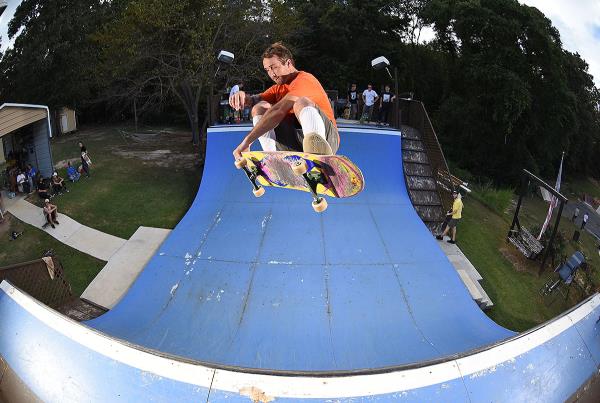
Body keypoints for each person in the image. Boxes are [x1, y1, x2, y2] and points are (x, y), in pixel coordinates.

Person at [230, 42, 340, 159]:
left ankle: (318, 156)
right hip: (297, 144)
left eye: (274, 68)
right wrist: (243, 96)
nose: (272, 74)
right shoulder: (278, 88)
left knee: (301, 103)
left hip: (328, 139)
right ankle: (273, 160)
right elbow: (253, 100)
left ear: (288, 63)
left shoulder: (305, 80)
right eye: (267, 70)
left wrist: (247, 141)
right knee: (259, 108)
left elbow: (279, 110)